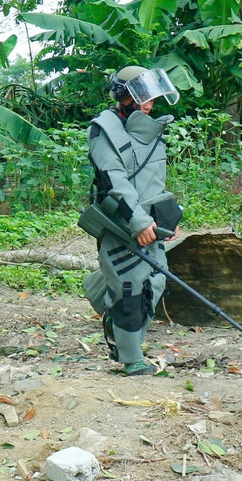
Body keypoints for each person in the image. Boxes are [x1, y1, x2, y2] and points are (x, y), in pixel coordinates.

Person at [85, 66, 181, 376]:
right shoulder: (104, 129)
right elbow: (114, 180)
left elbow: (154, 181)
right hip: (121, 221)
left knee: (156, 281)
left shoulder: (150, 131)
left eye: (152, 98)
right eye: (142, 98)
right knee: (130, 287)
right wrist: (139, 222)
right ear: (122, 96)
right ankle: (131, 358)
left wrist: (168, 218)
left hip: (150, 222)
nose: (148, 105)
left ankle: (125, 335)